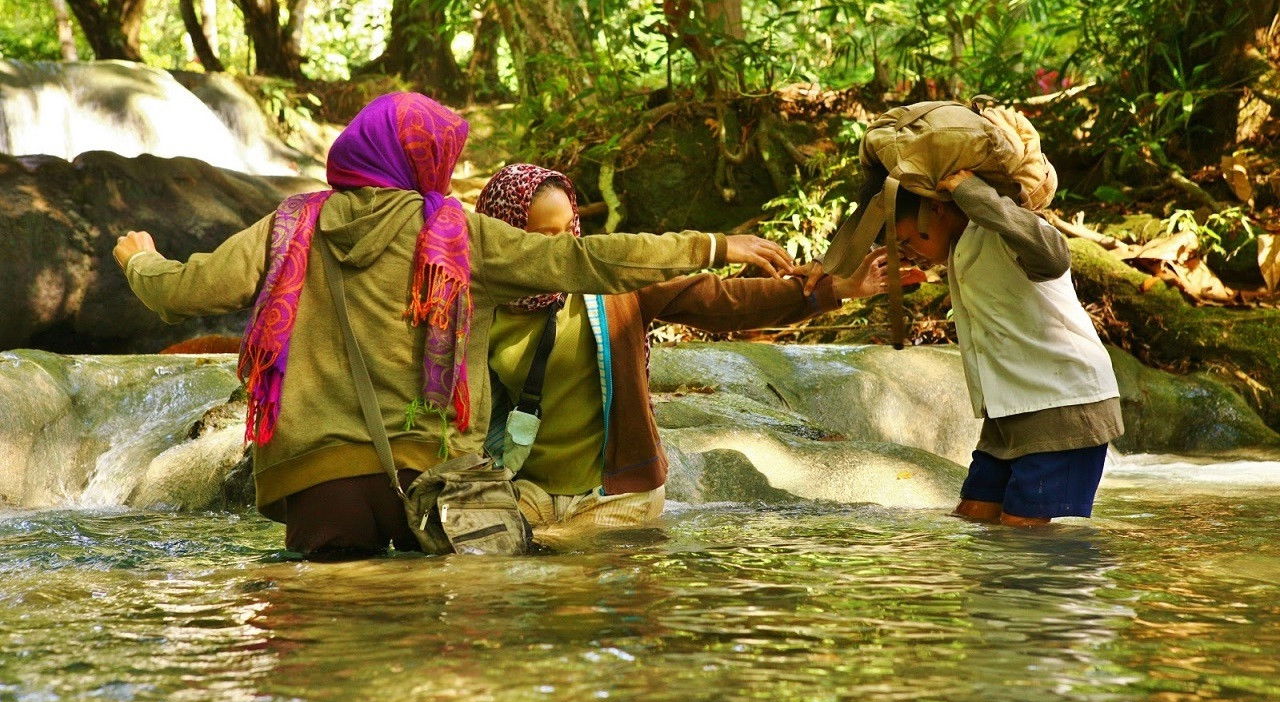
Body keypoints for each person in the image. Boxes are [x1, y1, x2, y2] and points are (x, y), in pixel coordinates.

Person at [111, 92, 795, 559]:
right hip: (434, 487)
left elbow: (182, 293)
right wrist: (711, 245)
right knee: (431, 648)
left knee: (324, 649)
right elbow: (584, 261)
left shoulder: (287, 226)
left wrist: (140, 261)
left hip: (319, 483)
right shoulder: (457, 234)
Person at [474, 163, 917, 544]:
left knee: (578, 579)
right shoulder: (477, 305)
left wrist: (837, 289)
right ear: (505, 238)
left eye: (568, 231)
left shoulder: (612, 284)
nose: (563, 249)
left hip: (613, 497)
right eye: (542, 238)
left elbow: (720, 301)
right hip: (527, 490)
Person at [810, 168, 1123, 526]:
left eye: (908, 242)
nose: (908, 254)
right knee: (973, 521)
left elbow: (1054, 256)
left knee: (1022, 537)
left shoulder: (1004, 231)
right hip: (1008, 412)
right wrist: (827, 272)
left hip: (1063, 406)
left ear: (936, 210)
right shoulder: (959, 246)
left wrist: (972, 192)